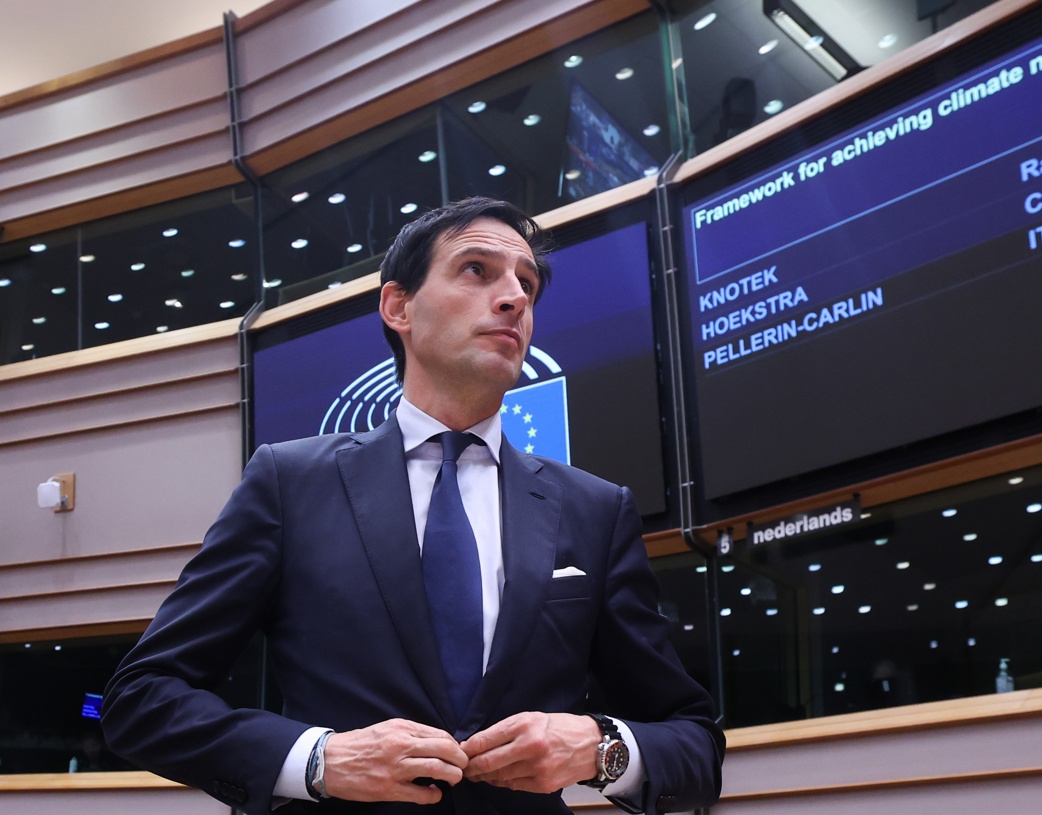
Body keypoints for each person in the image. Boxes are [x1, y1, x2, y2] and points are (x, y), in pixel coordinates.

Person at [102, 197, 724, 815]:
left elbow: (692, 740)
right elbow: (142, 697)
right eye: (477, 270)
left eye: (526, 283)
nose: (514, 297)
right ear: (398, 306)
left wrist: (600, 746)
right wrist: (318, 760)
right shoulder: (288, 483)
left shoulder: (595, 509)